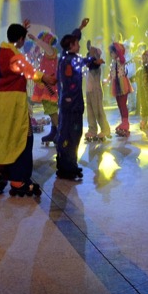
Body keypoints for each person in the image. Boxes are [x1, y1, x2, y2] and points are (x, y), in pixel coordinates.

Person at [0, 20, 55, 197]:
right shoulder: (15, 56)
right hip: (14, 104)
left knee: (5, 139)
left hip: (2, 101)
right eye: (23, 39)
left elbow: (15, 54)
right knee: (24, 139)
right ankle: (18, 180)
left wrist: (22, 30)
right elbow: (29, 71)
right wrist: (46, 78)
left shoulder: (1, 51)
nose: (24, 42)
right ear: (19, 39)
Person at [56, 19, 102, 180]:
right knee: (72, 135)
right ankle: (69, 167)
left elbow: (74, 41)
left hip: (66, 104)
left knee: (66, 134)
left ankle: (65, 165)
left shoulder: (63, 57)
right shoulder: (72, 60)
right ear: (71, 46)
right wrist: (94, 60)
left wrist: (81, 27)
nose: (79, 45)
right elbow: (84, 61)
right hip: (73, 105)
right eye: (77, 43)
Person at [27, 30, 60, 146]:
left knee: (52, 111)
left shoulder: (50, 51)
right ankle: (55, 131)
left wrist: (35, 39)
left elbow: (44, 45)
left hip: (50, 86)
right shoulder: (48, 53)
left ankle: (60, 133)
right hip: (47, 84)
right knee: (51, 110)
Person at [84, 41, 110, 141]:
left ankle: (105, 129)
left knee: (98, 111)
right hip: (89, 91)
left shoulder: (96, 66)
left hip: (96, 91)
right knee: (90, 112)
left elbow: (93, 62)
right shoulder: (89, 67)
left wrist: (92, 52)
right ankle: (92, 130)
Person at [108, 39, 133, 138]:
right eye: (111, 53)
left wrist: (117, 47)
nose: (111, 54)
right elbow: (112, 73)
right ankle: (123, 122)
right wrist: (108, 79)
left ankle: (126, 123)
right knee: (119, 104)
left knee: (123, 104)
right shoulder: (113, 62)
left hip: (122, 83)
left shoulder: (120, 60)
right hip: (116, 83)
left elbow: (122, 59)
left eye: (112, 52)